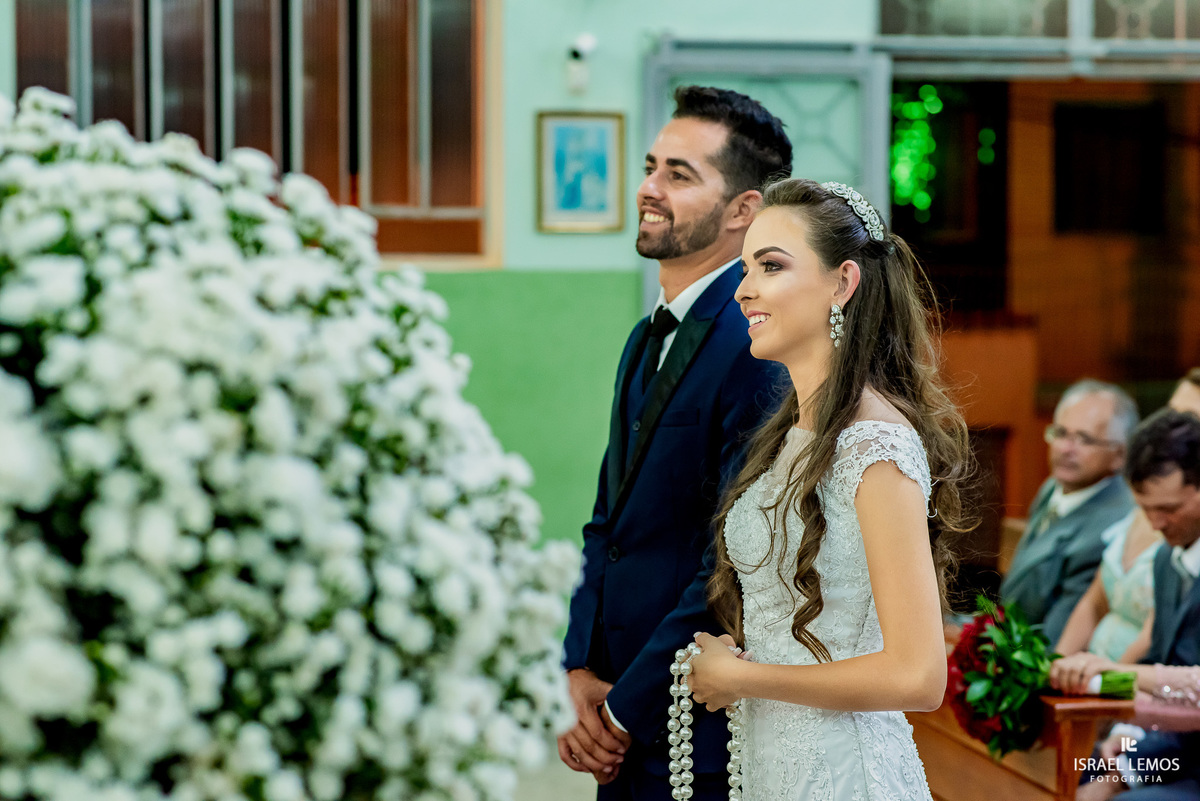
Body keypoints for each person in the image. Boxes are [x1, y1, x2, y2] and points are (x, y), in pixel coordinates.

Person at [682, 177, 973, 799]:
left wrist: (744, 679)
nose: (744, 290)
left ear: (843, 283)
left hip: (845, 774)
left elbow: (919, 676)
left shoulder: (875, 446)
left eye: (771, 266)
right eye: (744, 268)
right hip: (773, 767)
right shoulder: (793, 432)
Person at [559, 86, 791, 800]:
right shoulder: (644, 336)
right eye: (652, 166)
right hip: (612, 703)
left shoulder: (755, 345)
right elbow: (609, 523)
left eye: (679, 175)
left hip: (693, 726)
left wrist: (627, 705)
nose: (648, 189)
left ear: (743, 211)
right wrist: (575, 673)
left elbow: (733, 558)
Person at [1050, 409, 1200, 799]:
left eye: (1168, 509)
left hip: (1189, 757)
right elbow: (1163, 665)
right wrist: (1127, 736)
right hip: (1175, 745)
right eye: (1145, 508)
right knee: (1078, 772)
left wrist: (1116, 675)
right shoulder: (1169, 560)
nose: (1155, 524)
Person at [1056, 371, 1200, 663]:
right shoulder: (1151, 505)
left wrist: (1112, 677)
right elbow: (1095, 601)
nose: (1169, 427)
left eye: (1189, 420)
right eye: (1172, 412)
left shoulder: (1180, 523)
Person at [1000, 380, 1139, 644]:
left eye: (1083, 439)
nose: (1066, 449)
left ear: (1119, 455)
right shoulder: (1055, 485)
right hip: (1007, 635)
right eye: (1061, 433)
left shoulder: (1111, 527)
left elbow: (1055, 641)